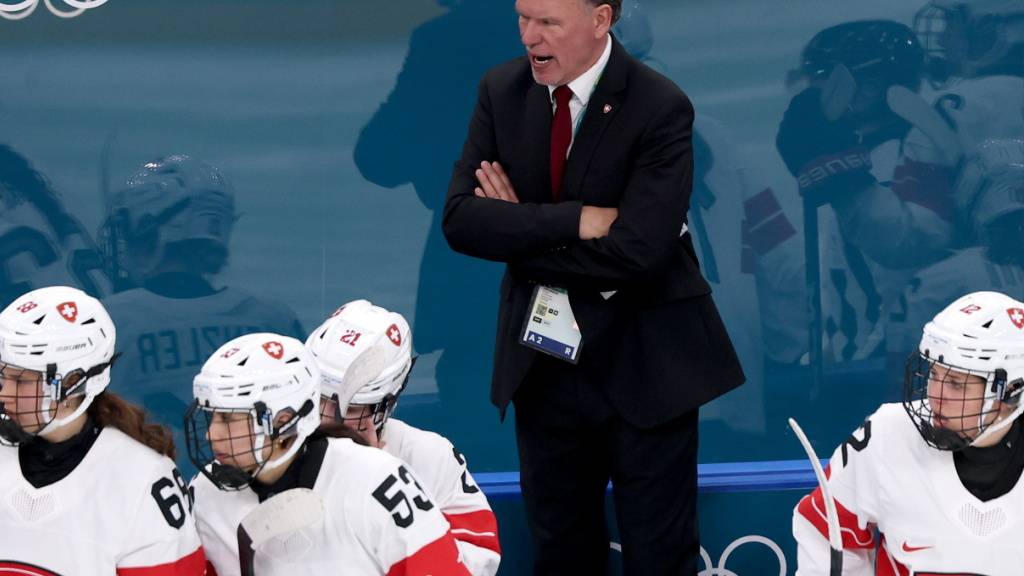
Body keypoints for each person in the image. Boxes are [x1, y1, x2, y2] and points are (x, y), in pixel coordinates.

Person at [441, 0, 745, 573]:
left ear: (600, 20)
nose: (529, 37)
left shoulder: (659, 105)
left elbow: (639, 253)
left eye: (547, 23)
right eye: (522, 18)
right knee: (561, 554)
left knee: (659, 558)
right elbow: (461, 221)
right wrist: (576, 220)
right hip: (545, 369)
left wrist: (517, 227)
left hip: (647, 365)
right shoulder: (501, 91)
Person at [186, 332, 471, 576]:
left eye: (228, 419)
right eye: (211, 417)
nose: (212, 434)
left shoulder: (377, 481)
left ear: (284, 422)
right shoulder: (205, 493)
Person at [99, 154, 304, 475]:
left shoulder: (111, 321)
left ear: (152, 228)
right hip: (254, 493)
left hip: (147, 496)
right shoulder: (272, 321)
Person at [793, 291, 1024, 575]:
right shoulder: (888, 435)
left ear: (1011, 392)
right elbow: (824, 528)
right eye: (934, 374)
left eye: (956, 384)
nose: (935, 395)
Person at [0, 285, 205, 575]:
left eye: (21, 381)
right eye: (3, 375)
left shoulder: (142, 477)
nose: (4, 393)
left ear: (73, 383)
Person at [306, 299, 501, 575]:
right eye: (318, 398)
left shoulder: (431, 455)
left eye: (352, 407)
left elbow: (479, 557)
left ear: (387, 403)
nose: (326, 417)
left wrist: (377, 478)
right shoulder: (275, 455)